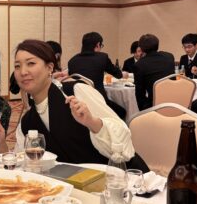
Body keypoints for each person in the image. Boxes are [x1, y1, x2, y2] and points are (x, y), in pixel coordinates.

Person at [14, 39, 148, 170]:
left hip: (119, 177)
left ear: (50, 67)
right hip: (71, 183)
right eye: (17, 66)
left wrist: (92, 122)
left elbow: (123, 140)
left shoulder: (76, 91)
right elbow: (20, 165)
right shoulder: (26, 123)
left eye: (31, 63)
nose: (23, 72)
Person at [68, 32, 126, 120]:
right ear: (98, 44)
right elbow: (118, 74)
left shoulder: (72, 61)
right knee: (122, 112)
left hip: (79, 104)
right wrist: (124, 74)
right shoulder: (102, 57)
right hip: (99, 102)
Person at [133, 34, 175, 110]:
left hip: (154, 105)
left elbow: (140, 94)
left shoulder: (139, 64)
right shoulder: (169, 57)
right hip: (174, 102)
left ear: (141, 48)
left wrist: (143, 112)